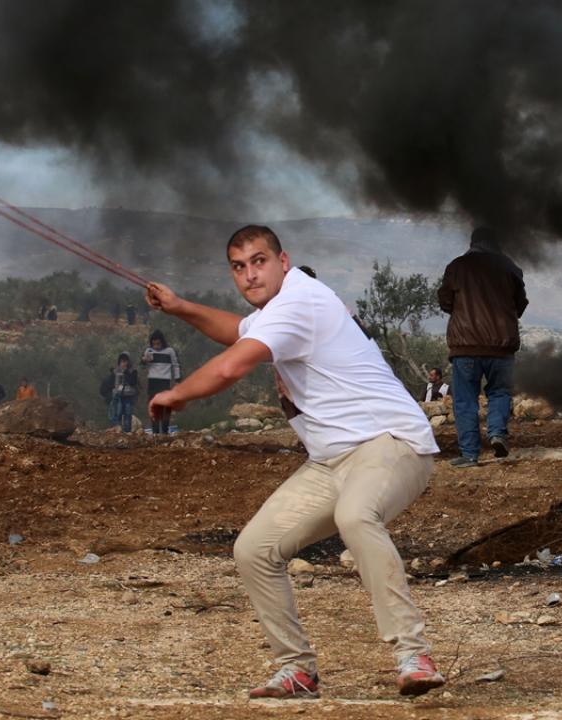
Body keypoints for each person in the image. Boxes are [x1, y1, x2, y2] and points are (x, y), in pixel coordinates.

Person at [145, 224, 445, 699]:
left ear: (282, 262)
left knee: (355, 515)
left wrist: (178, 393)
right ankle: (296, 670)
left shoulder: (299, 303)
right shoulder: (274, 312)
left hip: (391, 442)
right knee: (254, 550)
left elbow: (233, 364)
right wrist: (180, 306)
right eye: (239, 267)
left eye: (259, 261)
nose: (250, 275)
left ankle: (414, 654)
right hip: (330, 461)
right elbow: (235, 332)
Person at [437, 227, 528, 467]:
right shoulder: (510, 267)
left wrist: (462, 311)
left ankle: (469, 454)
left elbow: (445, 301)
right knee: (500, 392)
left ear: (472, 242)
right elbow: (520, 304)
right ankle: (497, 433)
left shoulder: (457, 266)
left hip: (465, 346)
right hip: (502, 346)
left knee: (465, 400)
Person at [140, 329, 180, 434]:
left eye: (158, 344)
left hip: (165, 381)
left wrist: (177, 380)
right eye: (154, 344)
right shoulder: (149, 351)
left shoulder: (170, 351)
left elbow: (176, 365)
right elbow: (143, 367)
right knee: (153, 406)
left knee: (166, 406)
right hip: (152, 381)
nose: (156, 346)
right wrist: (144, 361)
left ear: (162, 342)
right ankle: (155, 431)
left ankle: (165, 430)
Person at [109, 353, 140, 432]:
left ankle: (127, 432)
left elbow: (133, 382)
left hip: (129, 396)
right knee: (117, 414)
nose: (124, 363)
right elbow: (109, 383)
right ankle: (118, 430)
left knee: (127, 415)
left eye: (125, 361)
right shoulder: (116, 371)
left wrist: (126, 372)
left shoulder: (133, 371)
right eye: (122, 361)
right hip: (118, 396)